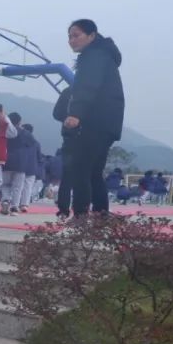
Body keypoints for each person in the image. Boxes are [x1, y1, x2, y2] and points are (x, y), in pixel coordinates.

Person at [64, 19, 125, 217]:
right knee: (93, 171)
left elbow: (88, 86)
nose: (71, 40)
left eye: (76, 35)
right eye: (69, 36)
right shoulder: (103, 55)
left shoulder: (94, 56)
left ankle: (81, 216)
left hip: (95, 120)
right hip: (107, 122)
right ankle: (100, 214)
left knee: (80, 168)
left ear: (91, 35)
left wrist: (76, 113)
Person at [0, 112, 31, 215]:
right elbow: (31, 144)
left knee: (5, 184)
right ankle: (14, 207)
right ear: (19, 122)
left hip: (6, 160)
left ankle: (5, 200)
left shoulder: (5, 131)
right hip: (21, 162)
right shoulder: (25, 133)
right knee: (17, 187)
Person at [52, 86, 76, 219]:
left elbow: (57, 113)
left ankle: (63, 210)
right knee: (86, 175)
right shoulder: (95, 91)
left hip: (69, 136)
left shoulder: (68, 91)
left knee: (67, 175)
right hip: (88, 137)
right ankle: (82, 210)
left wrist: (67, 119)